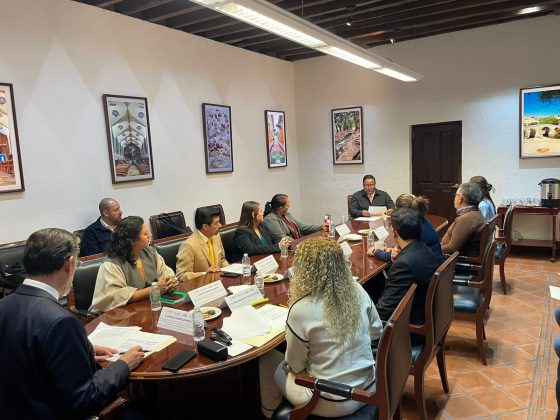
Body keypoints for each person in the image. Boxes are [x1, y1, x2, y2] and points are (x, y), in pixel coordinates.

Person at [0, 228, 144, 419]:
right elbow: (84, 397)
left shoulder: (4, 305)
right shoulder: (62, 321)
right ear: (69, 264)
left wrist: (82, 351)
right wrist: (123, 365)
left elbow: (26, 357)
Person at [259, 237, 383, 418]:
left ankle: (271, 415)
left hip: (330, 401)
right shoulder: (358, 290)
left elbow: (295, 365)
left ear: (303, 270)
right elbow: (377, 331)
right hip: (368, 389)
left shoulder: (301, 309)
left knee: (267, 360)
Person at [90, 216, 176, 313]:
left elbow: (165, 272)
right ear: (132, 241)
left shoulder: (150, 252)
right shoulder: (111, 263)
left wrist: (168, 280)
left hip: (144, 308)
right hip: (117, 314)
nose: (150, 235)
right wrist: (154, 289)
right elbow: (116, 297)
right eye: (145, 233)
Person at [375, 208, 440, 325]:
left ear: (394, 232)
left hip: (406, 327)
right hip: (426, 315)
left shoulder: (404, 265)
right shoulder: (425, 249)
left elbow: (383, 313)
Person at [370, 193, 443, 264]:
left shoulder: (413, 228)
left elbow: (404, 257)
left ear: (403, 212)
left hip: (425, 267)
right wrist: (394, 250)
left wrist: (376, 252)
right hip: (433, 264)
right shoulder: (420, 221)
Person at [176, 206, 229, 280]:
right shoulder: (188, 245)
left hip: (219, 282)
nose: (220, 225)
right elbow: (181, 276)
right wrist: (204, 274)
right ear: (205, 227)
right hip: (200, 285)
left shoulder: (216, 236)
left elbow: (222, 260)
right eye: (216, 223)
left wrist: (230, 270)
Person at [441, 182, 486, 257]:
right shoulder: (476, 212)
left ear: (460, 198)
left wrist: (433, 249)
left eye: (456, 195)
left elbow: (452, 249)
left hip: (456, 261)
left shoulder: (465, 219)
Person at [262, 194, 327, 243]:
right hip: (286, 250)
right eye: (287, 206)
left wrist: (321, 227)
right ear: (281, 208)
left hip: (297, 244)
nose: (289, 207)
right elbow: (282, 238)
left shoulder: (287, 214)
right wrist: (301, 244)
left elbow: (301, 227)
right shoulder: (270, 219)